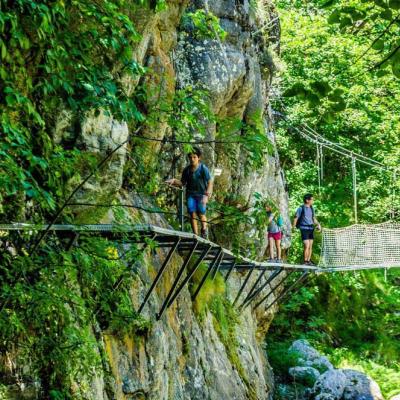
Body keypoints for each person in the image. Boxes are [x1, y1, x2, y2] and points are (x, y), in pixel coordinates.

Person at [166, 147, 213, 238]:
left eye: (194, 157)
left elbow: (210, 182)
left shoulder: (203, 168)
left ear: (199, 158)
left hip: (201, 194)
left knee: (201, 213)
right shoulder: (186, 170)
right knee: (192, 213)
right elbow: (182, 183)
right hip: (190, 194)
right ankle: (195, 235)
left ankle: (204, 230)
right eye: (190, 157)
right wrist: (174, 181)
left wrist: (207, 195)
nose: (192, 159)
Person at [293, 193, 321, 265]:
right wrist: (293, 227)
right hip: (304, 228)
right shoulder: (301, 208)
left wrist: (318, 224)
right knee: (307, 245)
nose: (313, 201)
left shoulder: (312, 208)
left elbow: (314, 218)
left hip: (311, 228)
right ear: (307, 200)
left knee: (310, 245)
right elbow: (296, 218)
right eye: (312, 199)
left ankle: (308, 261)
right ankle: (305, 261)